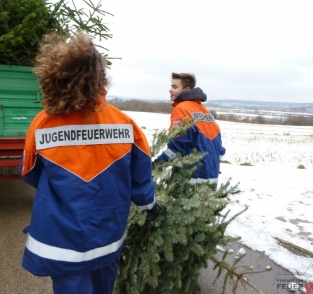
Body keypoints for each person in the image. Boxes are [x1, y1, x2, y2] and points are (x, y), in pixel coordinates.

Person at [19, 32, 159, 294]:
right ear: (99, 77)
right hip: (108, 236)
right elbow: (141, 178)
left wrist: (61, 188)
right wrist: (149, 206)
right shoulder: (125, 124)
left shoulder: (42, 124)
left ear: (56, 76)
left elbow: (28, 172)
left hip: (62, 241)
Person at [156, 73, 225, 187]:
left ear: (186, 89)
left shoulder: (182, 109)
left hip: (190, 177)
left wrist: (158, 164)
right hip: (211, 176)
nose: (170, 90)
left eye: (175, 87)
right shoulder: (204, 110)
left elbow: (179, 144)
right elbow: (219, 148)